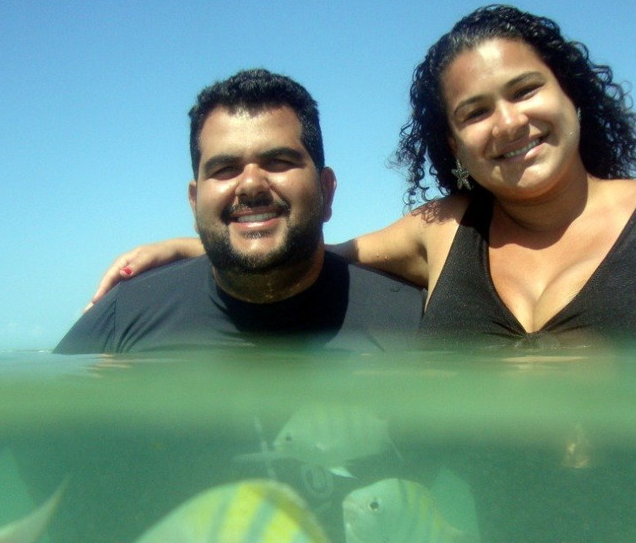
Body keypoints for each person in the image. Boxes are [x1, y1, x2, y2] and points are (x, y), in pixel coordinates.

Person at [89, 5, 636, 350]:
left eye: (526, 91)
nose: (509, 123)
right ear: (453, 143)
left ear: (573, 96)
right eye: (475, 111)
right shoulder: (444, 232)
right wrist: (194, 248)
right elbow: (312, 251)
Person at [55, 69, 423, 354]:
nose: (250, 185)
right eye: (225, 168)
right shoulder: (125, 318)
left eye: (279, 161)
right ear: (194, 201)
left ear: (326, 191)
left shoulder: (412, 323)